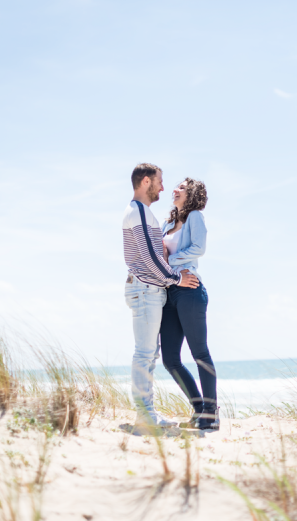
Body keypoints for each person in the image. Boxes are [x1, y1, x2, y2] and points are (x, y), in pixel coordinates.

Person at [122, 163, 199, 435]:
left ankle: (148, 413)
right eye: (160, 181)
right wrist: (178, 279)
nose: (163, 188)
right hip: (145, 289)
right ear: (146, 182)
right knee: (144, 354)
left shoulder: (142, 213)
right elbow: (151, 259)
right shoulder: (140, 213)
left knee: (149, 354)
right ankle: (144, 416)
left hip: (147, 290)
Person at [159, 178, 218, 430]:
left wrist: (169, 261)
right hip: (169, 292)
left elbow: (199, 248)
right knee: (170, 359)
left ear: (192, 194)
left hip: (190, 290)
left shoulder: (195, 216)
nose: (175, 190)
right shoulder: (167, 223)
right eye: (176, 187)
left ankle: (211, 411)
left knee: (199, 353)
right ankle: (198, 408)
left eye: (181, 188)